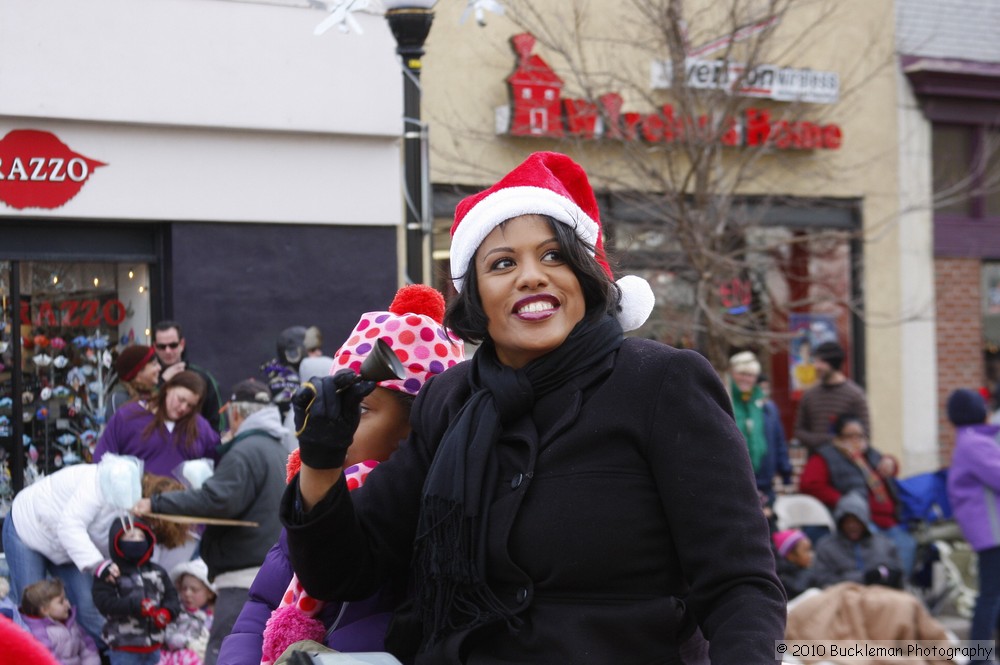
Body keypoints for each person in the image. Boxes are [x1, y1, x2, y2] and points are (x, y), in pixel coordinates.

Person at [280, 151, 786, 664]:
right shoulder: (448, 400)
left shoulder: (662, 383)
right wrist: (321, 465)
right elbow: (348, 572)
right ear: (474, 294)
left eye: (553, 256)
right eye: (502, 263)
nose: (531, 277)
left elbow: (739, 586)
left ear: (584, 275)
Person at [218, 284, 466, 665]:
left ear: (419, 424)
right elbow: (259, 609)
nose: (340, 425)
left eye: (361, 411)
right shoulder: (316, 504)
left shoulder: (431, 520)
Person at [134, 378, 287, 665]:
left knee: (229, 654)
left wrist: (156, 502)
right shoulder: (276, 448)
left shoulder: (247, 451)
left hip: (244, 579)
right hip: (264, 572)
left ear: (237, 413)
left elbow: (217, 500)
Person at [2, 459, 188, 647]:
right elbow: (70, 526)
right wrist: (99, 565)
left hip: (69, 548)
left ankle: (111, 653)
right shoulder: (104, 483)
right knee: (32, 609)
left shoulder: (136, 515)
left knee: (88, 606)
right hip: (28, 528)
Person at [798, 412, 916, 576]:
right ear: (838, 437)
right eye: (850, 436)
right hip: (861, 521)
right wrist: (844, 502)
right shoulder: (827, 456)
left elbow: (890, 468)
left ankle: (898, 588)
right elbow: (809, 484)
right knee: (881, 551)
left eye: (860, 436)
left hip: (889, 521)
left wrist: (891, 462)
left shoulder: (869, 455)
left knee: (907, 544)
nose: (856, 441)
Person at [945, 387, 1000, 659]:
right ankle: (979, 656)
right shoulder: (975, 443)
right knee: (990, 596)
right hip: (992, 532)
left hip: (989, 531)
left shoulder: (971, 441)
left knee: (993, 594)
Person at [93, 371, 221, 478]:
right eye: (181, 399)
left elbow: (216, 464)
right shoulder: (129, 416)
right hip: (135, 502)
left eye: (190, 405)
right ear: (168, 388)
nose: (183, 408)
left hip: (181, 504)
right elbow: (102, 459)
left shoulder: (200, 427)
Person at [92, 518, 181, 665]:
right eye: (131, 536)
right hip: (123, 647)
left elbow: (172, 597)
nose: (137, 540)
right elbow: (104, 603)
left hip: (154, 647)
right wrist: (135, 606)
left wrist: (168, 612)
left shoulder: (158, 571)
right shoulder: (111, 572)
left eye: (141, 536)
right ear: (117, 541)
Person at [727, 350, 792, 505]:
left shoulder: (767, 407)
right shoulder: (725, 403)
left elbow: (778, 440)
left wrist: (785, 471)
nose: (746, 379)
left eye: (750, 375)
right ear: (732, 374)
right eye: (741, 373)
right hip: (735, 482)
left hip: (764, 482)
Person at [811, 492, 904, 589]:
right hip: (843, 598)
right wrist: (864, 578)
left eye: (856, 521)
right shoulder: (826, 547)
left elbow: (900, 576)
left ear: (865, 521)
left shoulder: (884, 544)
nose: (852, 526)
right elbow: (823, 581)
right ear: (840, 522)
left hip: (880, 596)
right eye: (847, 521)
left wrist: (891, 578)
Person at [793, 340, 870, 452]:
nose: (815, 366)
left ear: (832, 363)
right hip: (816, 463)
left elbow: (865, 434)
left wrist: (844, 442)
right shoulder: (809, 395)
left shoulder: (855, 395)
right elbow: (799, 432)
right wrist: (831, 440)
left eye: (820, 362)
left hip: (846, 465)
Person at [153, 321, 224, 433]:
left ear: (182, 344)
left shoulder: (202, 377)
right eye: (162, 346)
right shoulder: (151, 377)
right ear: (155, 347)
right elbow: (142, 409)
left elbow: (217, 419)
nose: (168, 351)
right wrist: (162, 381)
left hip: (194, 441)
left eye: (173, 345)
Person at [20, 578, 101, 665]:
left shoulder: (71, 622)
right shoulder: (39, 633)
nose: (68, 603)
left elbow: (87, 648)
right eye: (61, 602)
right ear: (44, 610)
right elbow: (47, 660)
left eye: (65, 599)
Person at [160, 559, 216, 665]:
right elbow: (167, 635)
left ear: (209, 593)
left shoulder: (211, 619)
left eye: (194, 590)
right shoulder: (176, 612)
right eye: (184, 588)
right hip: (170, 657)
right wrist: (188, 643)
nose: (187, 593)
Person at [105, 345, 161, 425]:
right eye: (154, 364)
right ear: (138, 373)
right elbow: (118, 433)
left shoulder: (153, 394)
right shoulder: (120, 398)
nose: (159, 368)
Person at [771, 529, 817, 600]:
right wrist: (809, 570)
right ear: (790, 556)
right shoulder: (780, 574)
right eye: (806, 550)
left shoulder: (802, 567)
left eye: (811, 549)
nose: (811, 555)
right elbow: (799, 588)